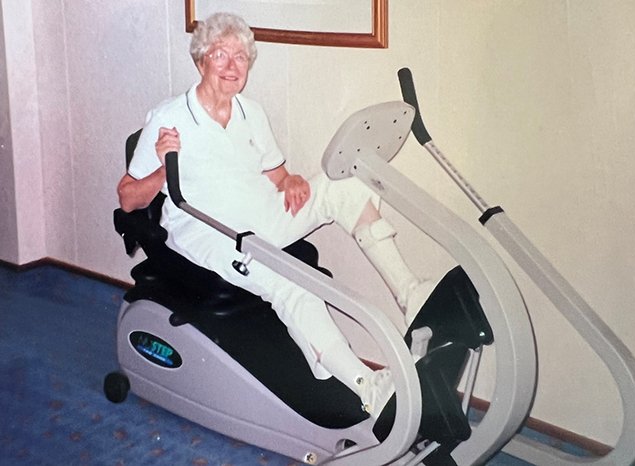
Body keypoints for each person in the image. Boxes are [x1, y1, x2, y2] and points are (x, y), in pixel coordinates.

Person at [117, 12, 434, 418]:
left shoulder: (251, 112)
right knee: (294, 283)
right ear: (200, 61)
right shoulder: (169, 119)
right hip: (212, 234)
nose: (232, 67)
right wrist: (165, 168)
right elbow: (128, 198)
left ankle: (411, 293)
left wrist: (293, 182)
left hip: (262, 215)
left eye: (241, 57)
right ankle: (367, 386)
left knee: (346, 185)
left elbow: (278, 175)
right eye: (220, 55)